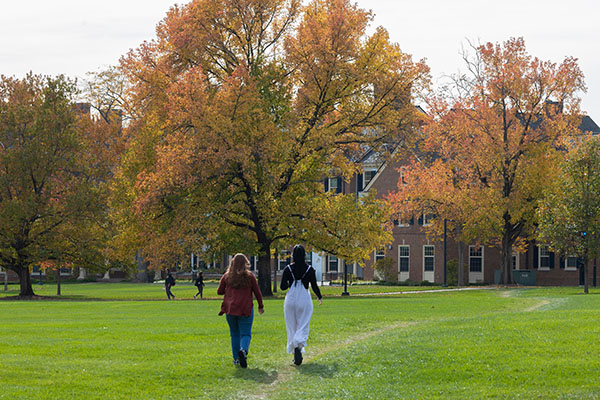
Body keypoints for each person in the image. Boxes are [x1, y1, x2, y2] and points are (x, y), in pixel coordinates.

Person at [217, 254, 264, 368]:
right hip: (245, 308)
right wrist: (260, 306)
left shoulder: (227, 276)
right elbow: (257, 292)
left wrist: (229, 291)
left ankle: (236, 359)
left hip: (230, 309)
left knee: (234, 334)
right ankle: (243, 350)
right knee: (245, 333)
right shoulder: (250, 276)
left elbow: (219, 291)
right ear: (245, 263)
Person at [280, 244, 322, 366]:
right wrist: (319, 296)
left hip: (291, 299)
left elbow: (282, 287)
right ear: (304, 255)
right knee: (303, 323)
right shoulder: (309, 269)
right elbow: (314, 286)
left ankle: (295, 349)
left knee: (291, 325)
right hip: (304, 298)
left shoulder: (288, 269)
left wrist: (290, 283)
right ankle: (299, 343)